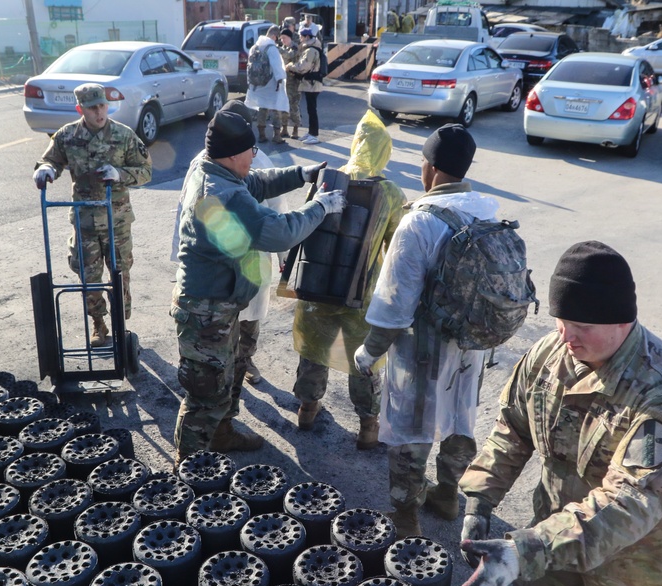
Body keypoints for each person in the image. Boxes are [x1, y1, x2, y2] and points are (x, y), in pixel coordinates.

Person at [455, 240, 662, 586]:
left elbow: (629, 502)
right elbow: (514, 426)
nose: (567, 336)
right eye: (561, 321)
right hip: (557, 531)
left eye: (581, 325)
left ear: (621, 321)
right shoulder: (552, 354)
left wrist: (525, 551)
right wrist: (480, 497)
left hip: (636, 561)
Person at [172, 109, 345, 465]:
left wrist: (300, 174)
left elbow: (257, 181)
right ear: (235, 154)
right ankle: (187, 469)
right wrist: (320, 207)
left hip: (218, 305)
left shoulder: (212, 169)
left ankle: (221, 434)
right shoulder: (222, 194)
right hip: (207, 311)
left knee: (225, 379)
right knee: (205, 395)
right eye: (251, 151)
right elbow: (280, 230)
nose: (254, 157)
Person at [353, 124, 492, 537]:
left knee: (411, 430)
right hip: (471, 347)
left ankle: (406, 516)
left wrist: (368, 353)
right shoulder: (487, 209)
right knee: (459, 419)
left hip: (424, 351)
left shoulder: (419, 224)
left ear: (428, 168)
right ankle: (448, 494)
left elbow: (394, 307)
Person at [293, 110, 405, 448]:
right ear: (384, 151)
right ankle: (368, 427)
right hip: (362, 297)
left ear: (355, 145)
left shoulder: (329, 180)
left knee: (314, 351)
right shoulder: (390, 193)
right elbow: (396, 248)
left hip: (318, 291)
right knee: (364, 362)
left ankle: (307, 410)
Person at [170, 100, 288, 386]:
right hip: (217, 262)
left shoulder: (258, 162)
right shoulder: (203, 162)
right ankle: (221, 371)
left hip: (250, 257)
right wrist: (181, 252)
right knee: (224, 321)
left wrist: (285, 257)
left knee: (248, 319)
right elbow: (185, 206)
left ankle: (244, 362)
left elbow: (277, 211)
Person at [33, 83, 152, 346]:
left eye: (102, 106)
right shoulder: (67, 136)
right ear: (80, 109)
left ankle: (122, 325)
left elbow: (146, 171)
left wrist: (120, 174)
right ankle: (99, 325)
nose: (99, 112)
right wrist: (46, 169)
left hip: (116, 221)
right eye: (92, 108)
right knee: (89, 277)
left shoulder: (124, 135)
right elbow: (50, 159)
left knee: (120, 275)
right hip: (85, 221)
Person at [245, 26, 289, 145]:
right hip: (270, 83)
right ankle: (277, 135)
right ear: (274, 36)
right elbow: (277, 66)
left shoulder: (254, 47)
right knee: (276, 107)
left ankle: (262, 135)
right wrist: (281, 80)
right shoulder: (271, 48)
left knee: (262, 108)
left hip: (257, 84)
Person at [287, 27, 323, 145]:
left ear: (307, 37)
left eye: (301, 36)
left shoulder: (310, 50)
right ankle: (311, 133)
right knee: (310, 109)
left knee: (312, 110)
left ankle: (314, 135)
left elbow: (303, 67)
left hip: (312, 84)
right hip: (310, 84)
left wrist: (290, 66)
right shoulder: (311, 48)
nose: (300, 39)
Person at [278, 29, 302, 140]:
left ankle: (296, 129)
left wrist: (277, 49)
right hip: (284, 82)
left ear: (290, 38)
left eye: (285, 38)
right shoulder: (283, 48)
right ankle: (284, 128)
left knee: (293, 106)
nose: (283, 40)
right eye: (281, 38)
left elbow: (289, 55)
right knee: (283, 106)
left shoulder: (294, 47)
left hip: (293, 82)